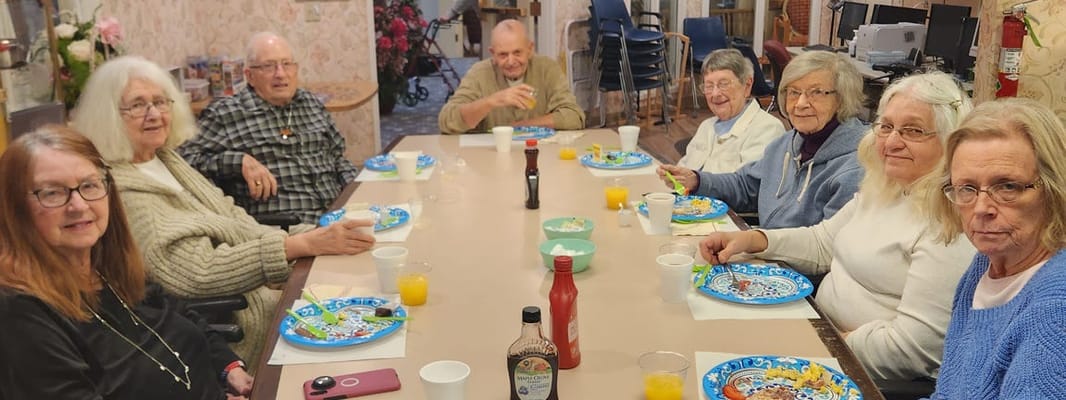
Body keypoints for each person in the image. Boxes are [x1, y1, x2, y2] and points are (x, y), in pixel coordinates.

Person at [72, 55, 375, 367]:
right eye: (137, 105)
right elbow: (196, 272)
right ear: (108, 116)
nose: (154, 114)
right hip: (240, 325)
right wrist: (299, 246)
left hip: (267, 293)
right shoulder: (124, 191)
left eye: (161, 102)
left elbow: (236, 219)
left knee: (370, 298)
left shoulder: (165, 160)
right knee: (361, 336)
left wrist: (313, 235)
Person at [698, 72, 976, 389]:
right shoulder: (887, 188)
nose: (892, 142)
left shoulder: (952, 223)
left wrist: (820, 347)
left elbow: (913, 350)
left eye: (913, 130)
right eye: (885, 127)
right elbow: (821, 243)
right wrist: (752, 239)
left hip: (856, 375)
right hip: (819, 333)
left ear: (950, 140)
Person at [0, 126, 254, 399]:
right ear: (15, 209)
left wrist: (231, 370)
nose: (79, 205)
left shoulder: (106, 267)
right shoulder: (19, 314)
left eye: (89, 185)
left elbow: (184, 317)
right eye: (52, 193)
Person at [926, 98, 1066, 399]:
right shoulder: (988, 262)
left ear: (1054, 190)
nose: (981, 208)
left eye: (1008, 187)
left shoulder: (1055, 312)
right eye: (967, 188)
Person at [658, 50, 866, 229]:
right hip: (766, 254)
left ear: (842, 98)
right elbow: (745, 186)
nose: (801, 103)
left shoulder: (855, 166)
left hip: (795, 270)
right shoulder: (786, 144)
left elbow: (827, 247)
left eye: (816, 93)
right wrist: (697, 180)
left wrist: (760, 242)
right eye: (794, 92)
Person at [178, 32, 359, 224]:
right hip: (286, 229)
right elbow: (182, 162)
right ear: (250, 76)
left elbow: (338, 157)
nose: (280, 73)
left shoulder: (311, 103)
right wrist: (237, 161)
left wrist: (357, 190)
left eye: (286, 64)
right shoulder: (226, 113)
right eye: (269, 66)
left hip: (338, 214)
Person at [439, 19, 585, 134]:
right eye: (503, 54)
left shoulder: (547, 68)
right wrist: (490, 101)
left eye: (517, 53)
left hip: (539, 154)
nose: (511, 62)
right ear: (492, 54)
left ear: (530, 49)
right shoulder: (479, 73)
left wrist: (520, 127)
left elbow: (574, 116)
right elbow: (447, 120)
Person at [674, 48, 785, 173]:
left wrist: (697, 183)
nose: (715, 94)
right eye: (709, 86)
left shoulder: (768, 129)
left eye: (724, 84)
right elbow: (682, 171)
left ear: (747, 86)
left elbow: (747, 187)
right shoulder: (707, 126)